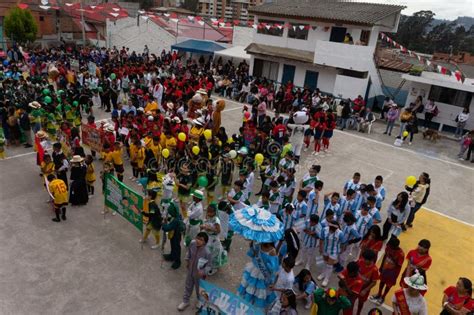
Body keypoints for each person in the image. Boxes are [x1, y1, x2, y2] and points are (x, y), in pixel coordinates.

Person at [238, 242, 279, 309]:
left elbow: (251, 255)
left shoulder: (257, 244)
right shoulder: (272, 250)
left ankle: (245, 305)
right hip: (262, 274)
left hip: (254, 271)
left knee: (250, 287)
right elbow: (273, 268)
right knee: (259, 291)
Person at [177, 232, 211, 312]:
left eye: (201, 240)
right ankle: (185, 301)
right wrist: (187, 260)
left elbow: (209, 266)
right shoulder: (192, 243)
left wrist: (203, 271)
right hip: (190, 271)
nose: (198, 241)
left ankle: (200, 302)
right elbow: (188, 252)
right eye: (197, 238)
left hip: (199, 276)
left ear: (205, 242)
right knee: (188, 285)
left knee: (199, 289)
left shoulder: (207, 252)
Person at [370, 237, 405, 305]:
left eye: (391, 246)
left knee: (388, 285)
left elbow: (399, 265)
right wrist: (381, 266)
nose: (389, 246)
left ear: (395, 246)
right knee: (382, 281)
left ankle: (383, 297)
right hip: (385, 268)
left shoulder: (401, 254)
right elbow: (385, 256)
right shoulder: (388, 247)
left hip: (393, 272)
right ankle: (379, 294)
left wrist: (392, 257)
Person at [200, 202, 227, 275]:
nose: (208, 213)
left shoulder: (216, 220)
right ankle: (207, 263)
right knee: (207, 252)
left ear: (215, 212)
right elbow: (206, 223)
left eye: (210, 212)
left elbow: (218, 231)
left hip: (214, 240)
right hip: (208, 237)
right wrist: (203, 226)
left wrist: (210, 228)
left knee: (213, 254)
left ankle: (214, 267)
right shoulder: (208, 217)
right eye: (208, 211)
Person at [355, 249, 380, 315]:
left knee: (360, 302)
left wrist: (365, 290)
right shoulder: (360, 261)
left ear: (372, 260)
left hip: (363, 289)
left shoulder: (374, 270)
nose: (365, 261)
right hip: (355, 286)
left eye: (367, 260)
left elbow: (374, 282)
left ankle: (358, 313)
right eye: (364, 259)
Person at [162, 201, 185, 269]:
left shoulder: (176, 221)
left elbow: (168, 228)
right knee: (173, 246)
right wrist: (168, 219)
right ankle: (172, 256)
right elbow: (171, 219)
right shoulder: (177, 216)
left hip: (176, 236)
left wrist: (163, 224)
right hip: (174, 235)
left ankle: (177, 261)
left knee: (176, 248)